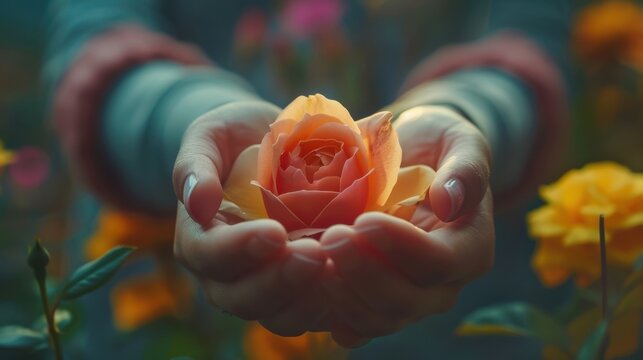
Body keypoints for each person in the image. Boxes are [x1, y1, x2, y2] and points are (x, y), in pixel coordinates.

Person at [45, 0, 570, 355]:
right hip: (164, 317)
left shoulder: (414, 181)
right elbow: (94, 31)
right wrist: (184, 122)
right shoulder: (241, 184)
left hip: (464, 331)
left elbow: (535, 32)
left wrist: (474, 112)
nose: (316, 166)